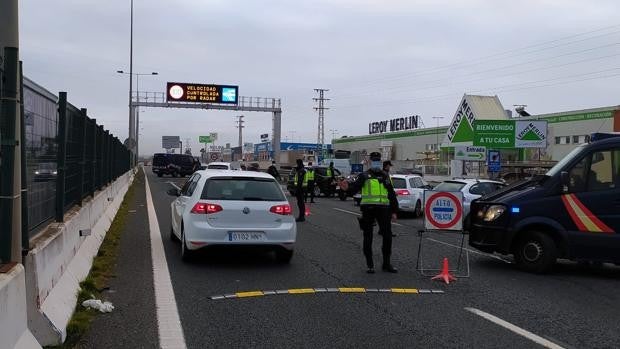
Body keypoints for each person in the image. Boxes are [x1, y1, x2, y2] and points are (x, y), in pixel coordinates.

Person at [348, 156, 399, 273]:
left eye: (378, 161)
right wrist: (346, 188)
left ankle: (386, 264)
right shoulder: (364, 176)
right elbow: (353, 189)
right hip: (368, 209)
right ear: (370, 163)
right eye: (374, 161)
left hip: (384, 209)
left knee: (387, 236)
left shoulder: (385, 176)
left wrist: (394, 211)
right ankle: (370, 265)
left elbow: (391, 194)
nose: (376, 163)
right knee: (368, 236)